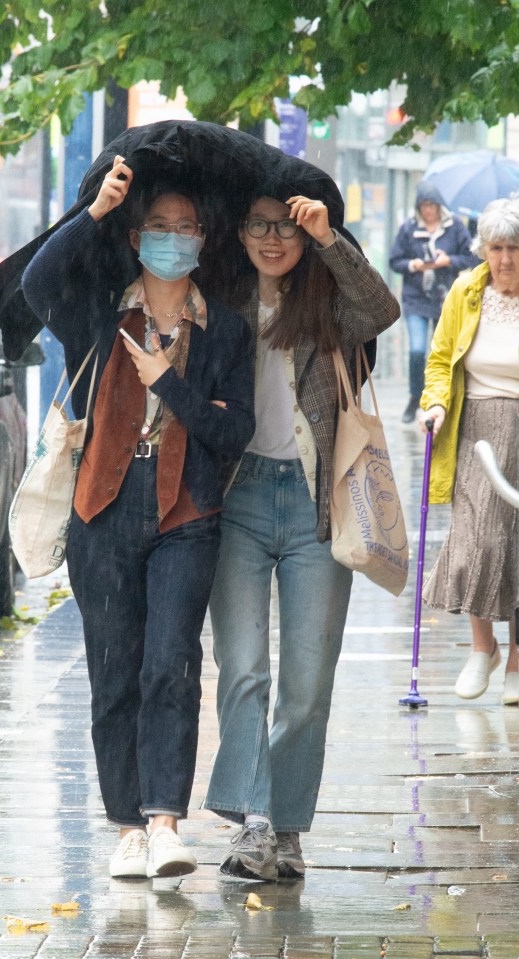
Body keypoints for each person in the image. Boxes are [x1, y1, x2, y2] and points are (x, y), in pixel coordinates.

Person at [20, 156, 255, 880]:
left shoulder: (224, 330)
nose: (173, 239)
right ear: (134, 237)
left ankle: (163, 821)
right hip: (104, 503)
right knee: (113, 671)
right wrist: (94, 211)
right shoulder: (99, 310)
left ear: (202, 238)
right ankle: (125, 827)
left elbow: (232, 430)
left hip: (186, 509)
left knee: (171, 665)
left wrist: (172, 386)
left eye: (186, 228)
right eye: (159, 227)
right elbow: (35, 284)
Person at [204, 193, 400, 880]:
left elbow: (382, 310)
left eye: (284, 225)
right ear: (239, 230)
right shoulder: (219, 300)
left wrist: (329, 241)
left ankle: (286, 826)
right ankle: (255, 822)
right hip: (238, 500)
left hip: (320, 501)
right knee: (243, 667)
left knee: (308, 680)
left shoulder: (326, 303)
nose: (271, 237)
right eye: (257, 223)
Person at [419, 197, 519, 706]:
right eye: (497, 248)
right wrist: (434, 404)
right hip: (477, 427)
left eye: (515, 248)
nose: (506, 260)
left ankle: (517, 661)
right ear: (483, 249)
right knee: (479, 540)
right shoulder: (466, 289)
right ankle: (485, 648)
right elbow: (440, 359)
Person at [389, 182, 477, 423]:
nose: (428, 210)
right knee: (417, 349)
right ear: (419, 207)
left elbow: (471, 255)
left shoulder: (455, 227)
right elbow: (395, 260)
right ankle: (414, 397)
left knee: (442, 352)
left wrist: (448, 261)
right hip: (415, 298)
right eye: (424, 206)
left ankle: (441, 399)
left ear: (439, 206)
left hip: (444, 297)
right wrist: (413, 265)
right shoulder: (409, 228)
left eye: (432, 205)